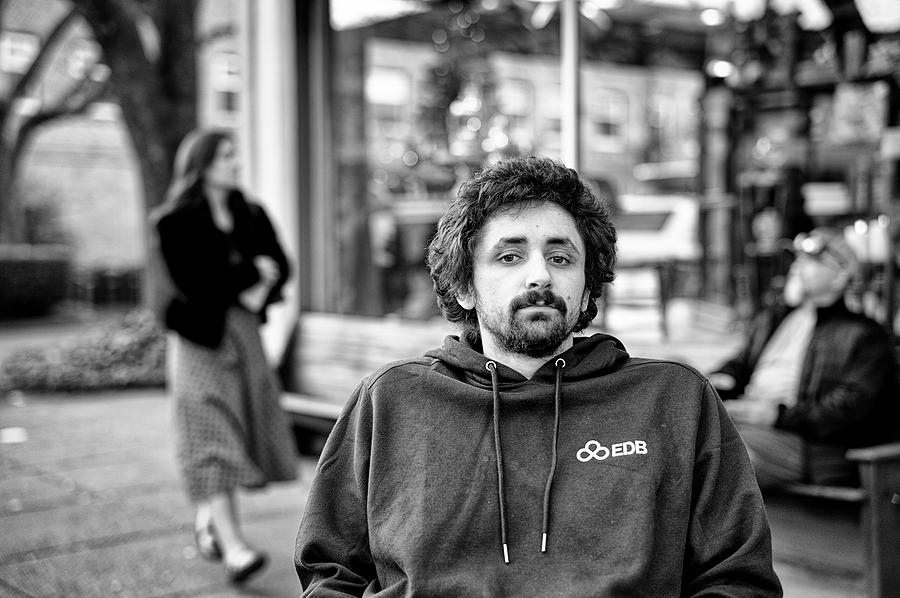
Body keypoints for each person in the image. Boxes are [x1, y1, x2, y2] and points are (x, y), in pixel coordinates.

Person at [294, 156, 782, 596]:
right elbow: (330, 571)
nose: (540, 276)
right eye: (510, 256)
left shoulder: (674, 399)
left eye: (561, 257)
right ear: (465, 286)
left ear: (587, 288)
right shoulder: (391, 400)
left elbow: (738, 578)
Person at [151, 128, 298, 583]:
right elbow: (197, 286)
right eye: (226, 155)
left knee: (237, 434)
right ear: (202, 164)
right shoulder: (174, 221)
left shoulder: (250, 212)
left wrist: (257, 279)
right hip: (199, 340)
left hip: (245, 336)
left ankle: (208, 519)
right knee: (209, 434)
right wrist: (252, 271)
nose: (236, 162)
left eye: (236, 154)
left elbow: (283, 265)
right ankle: (235, 550)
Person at [708, 227, 897, 488]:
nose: (797, 266)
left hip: (807, 446)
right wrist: (720, 380)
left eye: (812, 261)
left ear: (840, 276)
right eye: (798, 259)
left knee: (717, 453)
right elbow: (739, 365)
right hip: (748, 424)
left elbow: (848, 407)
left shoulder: (866, 335)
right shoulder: (773, 319)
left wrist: (776, 416)